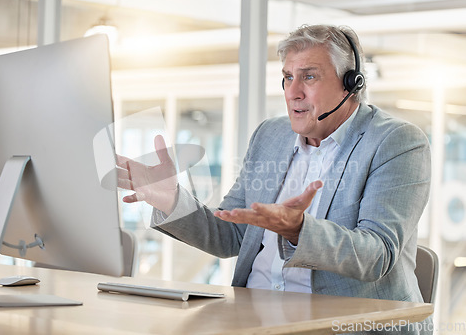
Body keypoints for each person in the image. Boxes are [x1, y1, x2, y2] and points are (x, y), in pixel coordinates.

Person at [117, 24, 432, 334]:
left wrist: (298, 230)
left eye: (309, 76)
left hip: (343, 325)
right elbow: (231, 234)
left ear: (350, 83)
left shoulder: (396, 142)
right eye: (287, 77)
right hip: (253, 320)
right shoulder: (271, 135)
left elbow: (377, 254)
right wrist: (171, 199)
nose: (293, 92)